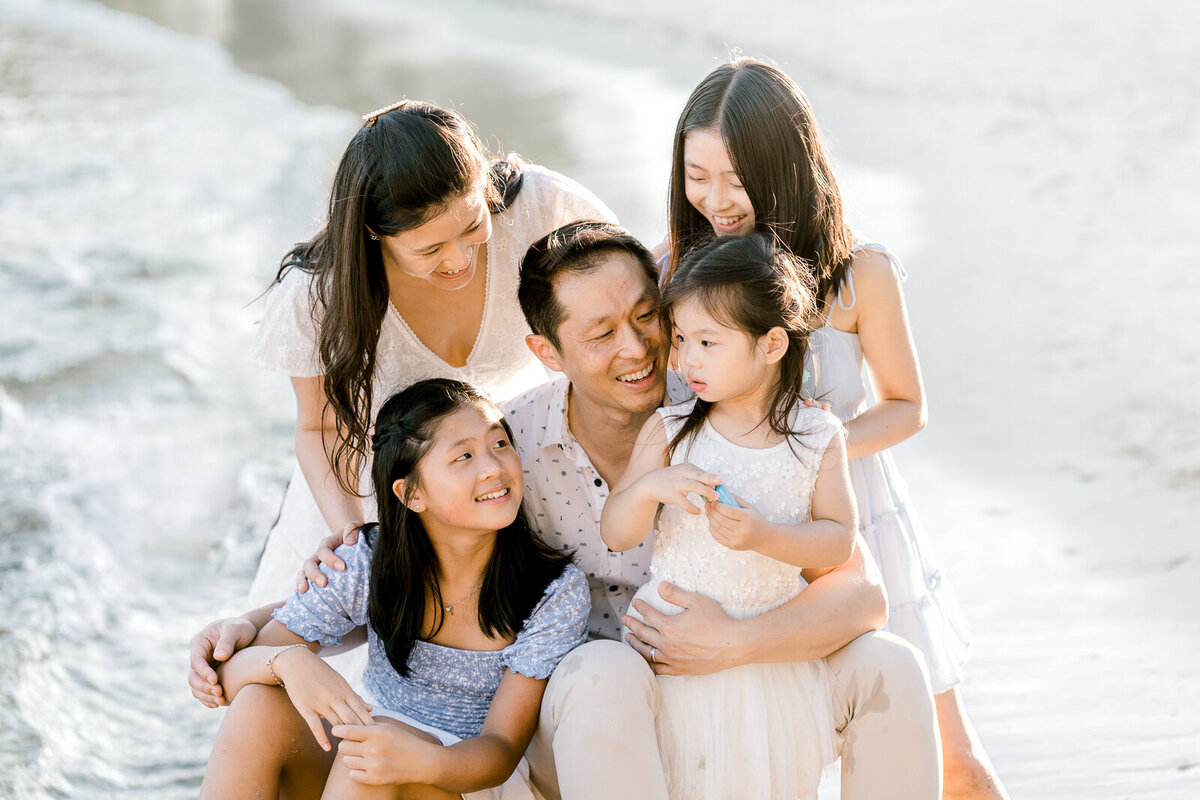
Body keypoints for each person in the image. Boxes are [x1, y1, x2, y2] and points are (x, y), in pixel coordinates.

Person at [195, 221, 942, 799]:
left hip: (734, 671)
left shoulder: (727, 408)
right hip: (578, 721)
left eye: (649, 316)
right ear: (546, 351)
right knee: (600, 667)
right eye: (601, 333)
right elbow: (413, 556)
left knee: (891, 665)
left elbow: (860, 593)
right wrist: (260, 629)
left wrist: (733, 644)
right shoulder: (506, 450)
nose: (641, 349)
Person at [664, 57, 1007, 799]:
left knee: (952, 765)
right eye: (697, 175)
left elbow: (908, 406)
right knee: (765, 756)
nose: (716, 200)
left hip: (858, 526)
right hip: (729, 543)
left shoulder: (859, 275)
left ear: (786, 164)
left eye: (737, 177)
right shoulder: (675, 274)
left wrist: (818, 446)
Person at [246, 99, 614, 606]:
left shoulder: (543, 210)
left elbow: (631, 293)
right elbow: (321, 428)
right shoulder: (321, 295)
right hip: (372, 502)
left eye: (472, 227)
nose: (459, 258)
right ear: (375, 233)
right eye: (429, 249)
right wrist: (359, 544)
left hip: (504, 482)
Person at [200, 378, 590, 800]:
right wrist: (289, 663)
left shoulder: (552, 591)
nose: (494, 467)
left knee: (368, 759)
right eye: (464, 456)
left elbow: (500, 751)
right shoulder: (369, 560)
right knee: (260, 705)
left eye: (499, 444)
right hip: (370, 757)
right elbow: (231, 677)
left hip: (467, 776)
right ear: (411, 494)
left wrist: (414, 758)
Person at [601, 233, 857, 799]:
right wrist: (650, 489)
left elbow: (838, 542)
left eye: (708, 342)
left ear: (770, 345)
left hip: (768, 657)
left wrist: (767, 536)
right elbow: (616, 531)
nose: (686, 359)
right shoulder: (668, 429)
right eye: (682, 339)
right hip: (672, 645)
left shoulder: (817, 436)